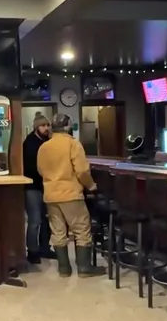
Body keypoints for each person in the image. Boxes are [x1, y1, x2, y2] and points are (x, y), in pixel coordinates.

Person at [37, 114, 105, 278]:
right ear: (68, 127)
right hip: (70, 194)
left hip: (51, 195)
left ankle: (64, 269)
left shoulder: (44, 147)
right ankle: (84, 268)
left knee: (58, 232)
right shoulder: (73, 144)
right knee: (81, 230)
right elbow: (82, 171)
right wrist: (91, 186)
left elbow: (41, 170)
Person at [21, 115, 52, 264]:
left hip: (46, 186)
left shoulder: (48, 142)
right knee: (35, 220)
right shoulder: (30, 143)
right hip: (32, 186)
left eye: (47, 125)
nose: (46, 128)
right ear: (36, 127)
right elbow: (29, 167)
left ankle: (45, 248)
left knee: (46, 219)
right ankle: (32, 252)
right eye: (43, 126)